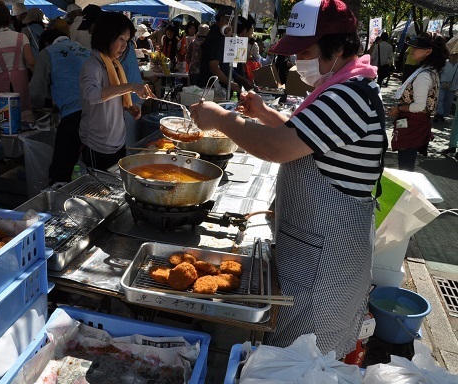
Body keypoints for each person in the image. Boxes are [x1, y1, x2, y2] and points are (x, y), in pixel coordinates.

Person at [190, 0, 387, 358]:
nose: (299, 62)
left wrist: (221, 119)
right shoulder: (341, 85)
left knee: (301, 366)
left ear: (339, 47)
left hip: (325, 263)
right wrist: (264, 114)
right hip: (312, 249)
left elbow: (281, 148)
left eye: (307, 51)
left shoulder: (350, 95)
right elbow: (310, 142)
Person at [79, 12, 154, 171]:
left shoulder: (114, 65)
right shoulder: (93, 66)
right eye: (121, 39)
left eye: (127, 41)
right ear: (106, 36)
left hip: (117, 142)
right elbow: (92, 95)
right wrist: (131, 87)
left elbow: (111, 97)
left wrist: (127, 106)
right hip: (97, 145)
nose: (125, 45)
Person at [29, 31, 91, 183]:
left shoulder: (48, 53)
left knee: (60, 172)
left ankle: (58, 202)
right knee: (93, 169)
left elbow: (36, 90)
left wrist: (36, 108)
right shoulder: (86, 51)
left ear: (47, 43)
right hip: (99, 113)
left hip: (73, 117)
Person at [389, 34, 448, 171]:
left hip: (413, 123)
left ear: (428, 51)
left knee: (405, 165)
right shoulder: (429, 71)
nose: (411, 51)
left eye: (416, 48)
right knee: (406, 163)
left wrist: (399, 108)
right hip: (416, 123)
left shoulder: (424, 75)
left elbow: (419, 106)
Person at [0, 1, 35, 111]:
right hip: (21, 82)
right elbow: (31, 62)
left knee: (4, 117)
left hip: (0, 84)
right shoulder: (22, 37)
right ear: (9, 18)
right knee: (23, 116)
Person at [198, 6, 241, 94]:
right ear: (222, 20)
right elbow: (214, 67)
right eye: (231, 23)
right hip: (212, 87)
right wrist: (230, 84)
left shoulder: (218, 35)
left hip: (215, 86)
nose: (232, 27)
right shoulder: (216, 38)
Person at [434, 46, 458, 124]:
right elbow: (439, 72)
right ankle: (439, 113)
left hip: (453, 86)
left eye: (455, 55)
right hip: (442, 84)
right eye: (452, 54)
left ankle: (443, 114)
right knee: (440, 99)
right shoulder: (445, 63)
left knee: (448, 102)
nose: (453, 56)